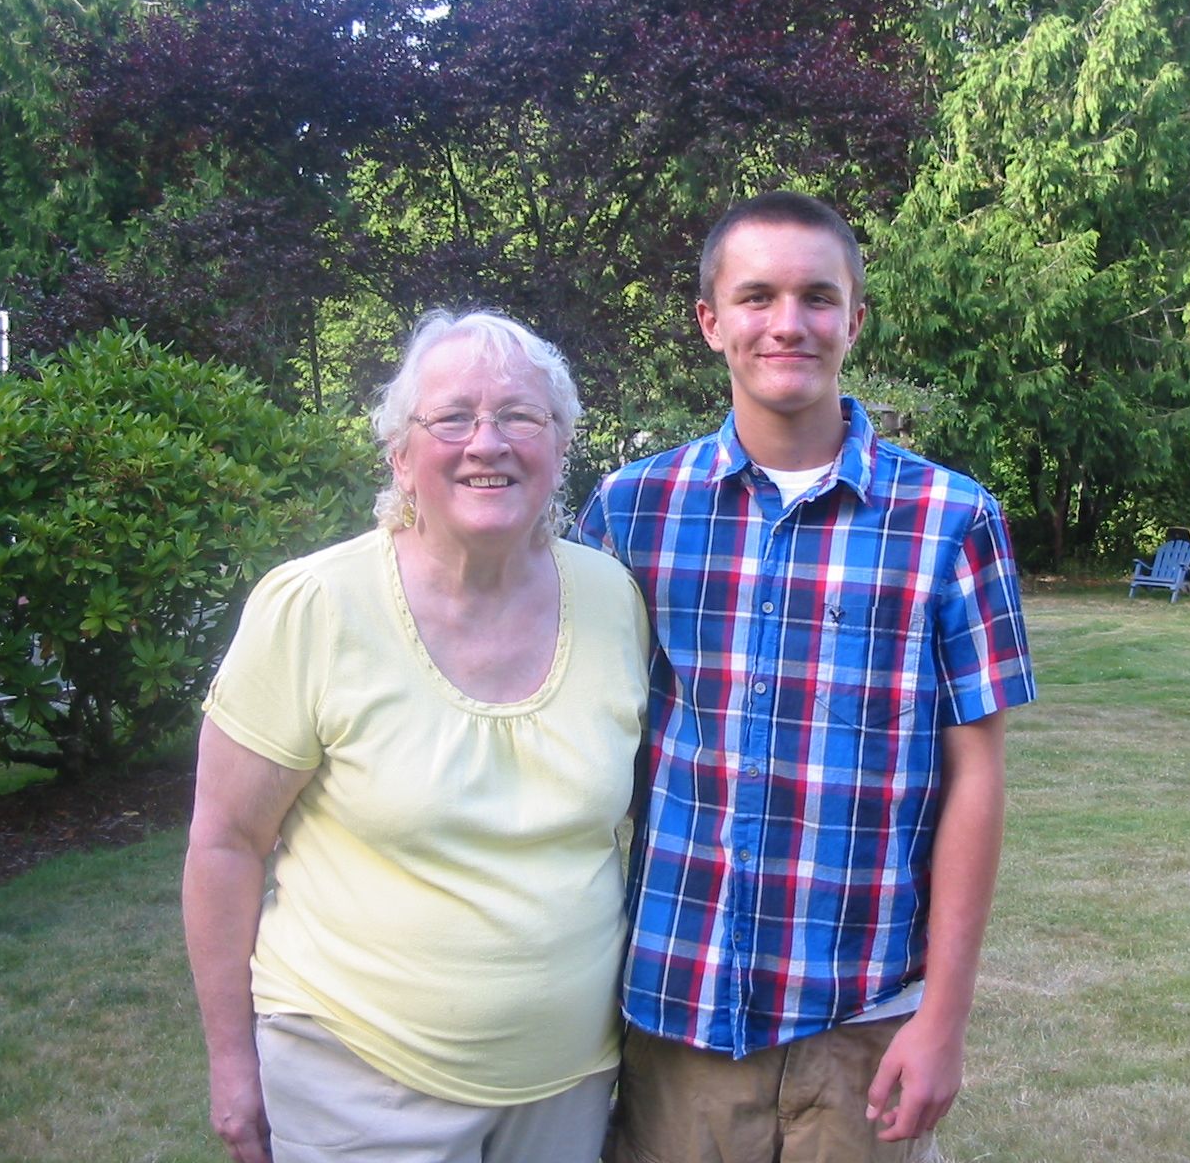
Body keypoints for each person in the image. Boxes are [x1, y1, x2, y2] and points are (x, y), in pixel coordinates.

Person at [574, 192, 1037, 1163]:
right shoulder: (632, 512)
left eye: (818, 297)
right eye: (756, 297)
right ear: (710, 321)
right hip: (677, 1018)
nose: (788, 323)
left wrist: (943, 1019)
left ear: (855, 318)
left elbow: (976, 784)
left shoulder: (951, 522)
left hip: (861, 1021)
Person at [183, 310, 650, 1163]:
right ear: (400, 453)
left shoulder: (614, 598)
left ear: (559, 445)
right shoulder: (316, 606)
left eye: (519, 416)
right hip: (355, 1082)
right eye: (452, 418)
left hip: (568, 1085)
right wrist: (229, 1065)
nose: (488, 442)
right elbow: (225, 843)